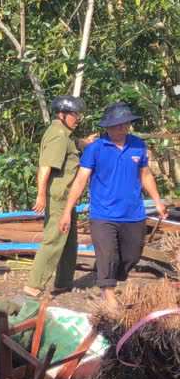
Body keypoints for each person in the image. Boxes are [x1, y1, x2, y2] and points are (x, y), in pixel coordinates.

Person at [59, 102, 168, 308]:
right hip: (103, 214)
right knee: (107, 254)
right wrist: (67, 211)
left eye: (125, 124)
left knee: (132, 255)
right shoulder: (95, 149)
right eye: (118, 125)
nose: (122, 128)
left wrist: (157, 201)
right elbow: (81, 180)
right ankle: (108, 293)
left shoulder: (137, 145)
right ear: (107, 127)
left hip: (133, 214)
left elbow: (145, 174)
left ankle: (113, 278)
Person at [25, 96, 94, 297]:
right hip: (58, 197)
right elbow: (45, 166)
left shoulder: (64, 133)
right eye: (74, 115)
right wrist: (41, 195)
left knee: (69, 242)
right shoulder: (58, 135)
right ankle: (33, 286)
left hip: (67, 196)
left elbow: (73, 144)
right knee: (54, 240)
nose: (78, 118)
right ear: (62, 115)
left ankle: (63, 283)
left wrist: (86, 142)